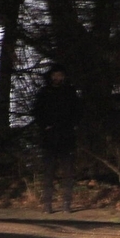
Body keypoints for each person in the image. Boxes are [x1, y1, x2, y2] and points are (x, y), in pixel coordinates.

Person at [33, 63, 82, 213]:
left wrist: (72, 126)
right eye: (55, 75)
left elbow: (77, 112)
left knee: (67, 172)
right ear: (51, 76)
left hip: (66, 137)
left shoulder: (70, 92)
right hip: (49, 138)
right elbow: (37, 112)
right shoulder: (44, 93)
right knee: (48, 173)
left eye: (60, 75)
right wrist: (45, 126)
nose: (57, 78)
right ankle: (48, 204)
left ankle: (66, 203)